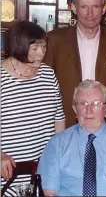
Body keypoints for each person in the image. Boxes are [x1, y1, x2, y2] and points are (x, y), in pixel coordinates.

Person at [44, 0, 106, 128]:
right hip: (65, 125)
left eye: (96, 7)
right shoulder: (54, 41)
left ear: (104, 9)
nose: (90, 14)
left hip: (105, 126)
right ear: (73, 8)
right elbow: (44, 86)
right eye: (84, 7)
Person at [37, 80, 106, 196]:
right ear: (75, 109)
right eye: (82, 104)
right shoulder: (57, 144)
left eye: (96, 104)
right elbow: (49, 192)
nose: (89, 111)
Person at [1, 21, 65, 196]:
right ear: (19, 46)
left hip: (42, 170)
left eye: (43, 47)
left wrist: (59, 154)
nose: (41, 53)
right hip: (7, 171)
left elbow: (58, 118)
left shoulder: (48, 74)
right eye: (35, 48)